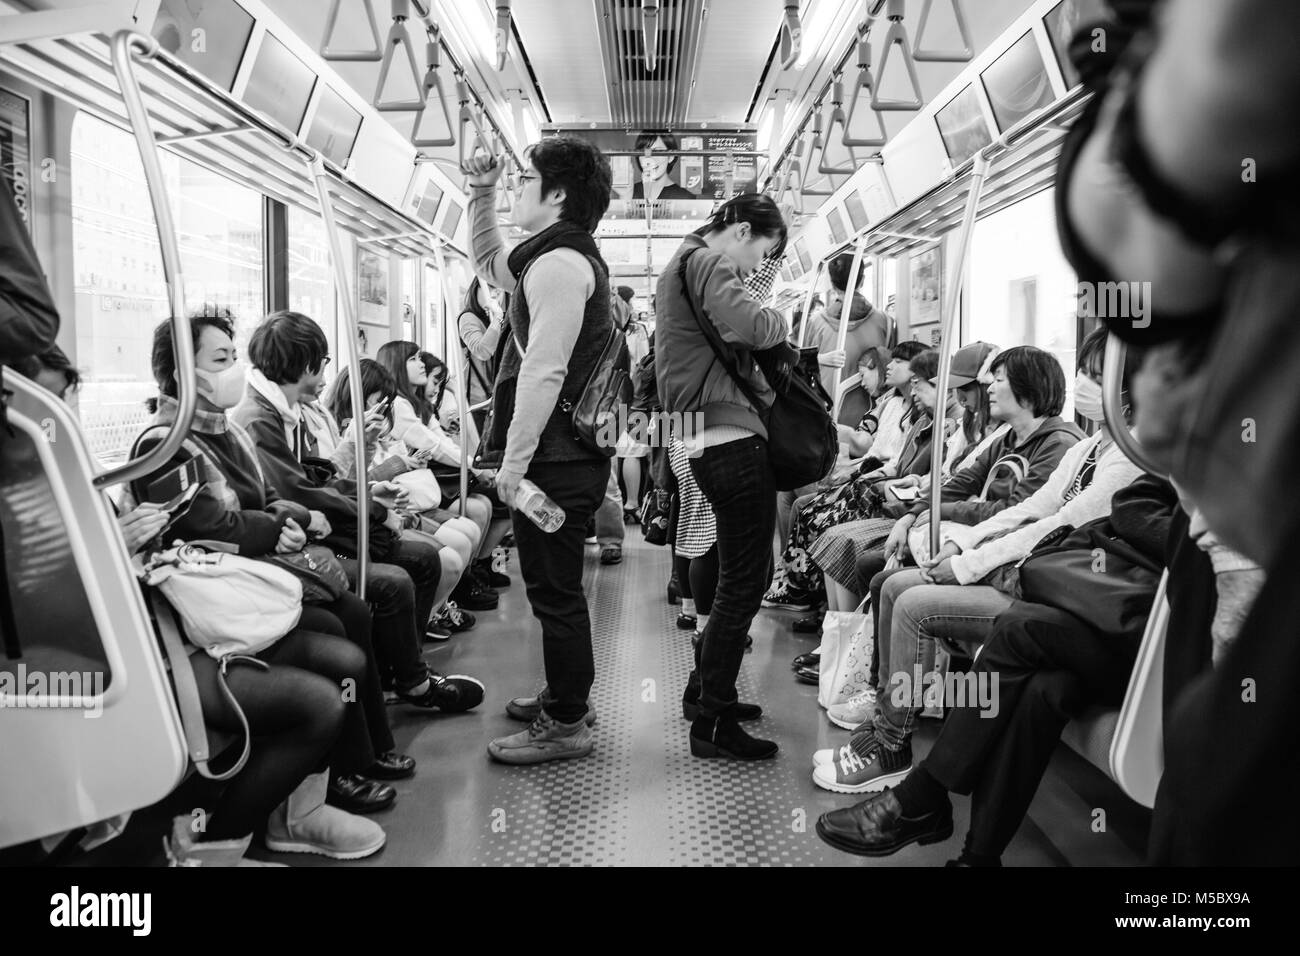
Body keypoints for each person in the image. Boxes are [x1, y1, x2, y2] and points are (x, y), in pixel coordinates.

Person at [810, 328, 1144, 795]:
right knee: (890, 585)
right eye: (1085, 374)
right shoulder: (1089, 448)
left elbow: (1059, 524)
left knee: (912, 603)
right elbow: (1025, 509)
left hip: (1056, 588)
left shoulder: (1122, 457)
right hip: (1029, 565)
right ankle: (885, 717)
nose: (1087, 385)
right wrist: (958, 547)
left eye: (1097, 376)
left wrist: (968, 562)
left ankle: (892, 745)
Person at [130, 312, 391, 859]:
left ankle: (302, 810)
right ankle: (221, 839)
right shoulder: (163, 446)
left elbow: (263, 501)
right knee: (327, 676)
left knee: (345, 647)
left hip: (246, 589)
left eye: (233, 358)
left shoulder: (226, 432)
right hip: (198, 622)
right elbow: (213, 526)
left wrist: (280, 517)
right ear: (182, 371)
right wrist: (278, 522)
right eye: (220, 360)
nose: (234, 371)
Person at [814, 475, 1179, 862]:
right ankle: (978, 856)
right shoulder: (1192, 462)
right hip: (1112, 616)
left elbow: (1170, 533)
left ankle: (920, 787)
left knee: (1016, 628)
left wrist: (968, 560)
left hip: (1167, 644)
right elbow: (1131, 502)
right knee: (1045, 689)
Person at [226, 311, 484, 714]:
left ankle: (406, 672)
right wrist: (370, 507)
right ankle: (402, 679)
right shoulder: (260, 419)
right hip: (299, 538)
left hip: (318, 524)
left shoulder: (297, 413)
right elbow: (298, 490)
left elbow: (320, 477)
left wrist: (367, 493)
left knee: (426, 557)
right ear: (306, 363)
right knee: (398, 578)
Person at [462, 135, 615, 764]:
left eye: (524, 181)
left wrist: (514, 463)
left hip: (554, 462)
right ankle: (565, 694)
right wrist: (481, 191)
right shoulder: (550, 257)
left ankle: (568, 720)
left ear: (555, 195)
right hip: (564, 459)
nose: (516, 190)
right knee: (556, 590)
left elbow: (543, 372)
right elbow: (488, 263)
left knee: (555, 593)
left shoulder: (557, 268)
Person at [656, 192, 790, 760]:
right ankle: (712, 720)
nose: (757, 266)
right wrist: (780, 315)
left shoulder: (679, 265)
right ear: (739, 228)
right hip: (731, 438)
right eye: (762, 251)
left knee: (735, 575)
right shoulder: (709, 262)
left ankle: (705, 693)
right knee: (744, 580)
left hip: (699, 435)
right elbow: (755, 326)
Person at [375, 339, 501, 614]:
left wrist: (474, 463)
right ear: (397, 364)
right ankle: (452, 595)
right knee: (478, 512)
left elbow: (443, 440)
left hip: (426, 485)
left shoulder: (416, 403)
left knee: (484, 509)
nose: (421, 363)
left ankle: (467, 580)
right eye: (413, 359)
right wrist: (474, 466)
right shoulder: (396, 406)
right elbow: (433, 446)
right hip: (411, 493)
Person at [805, 252, 890, 406]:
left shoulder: (815, 322)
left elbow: (805, 368)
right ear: (862, 280)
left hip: (828, 410)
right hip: (873, 412)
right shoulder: (884, 321)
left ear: (832, 284)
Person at [457, 276, 506, 432]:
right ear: (477, 288)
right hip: (478, 401)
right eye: (490, 288)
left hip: (493, 398)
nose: (493, 295)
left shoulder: (492, 319)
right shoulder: (468, 318)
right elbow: (482, 351)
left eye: (498, 291)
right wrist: (497, 318)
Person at [630, 131, 695, 201]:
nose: (649, 159)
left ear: (671, 156)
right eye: (644, 152)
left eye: (657, 151)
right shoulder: (630, 192)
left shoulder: (684, 197)